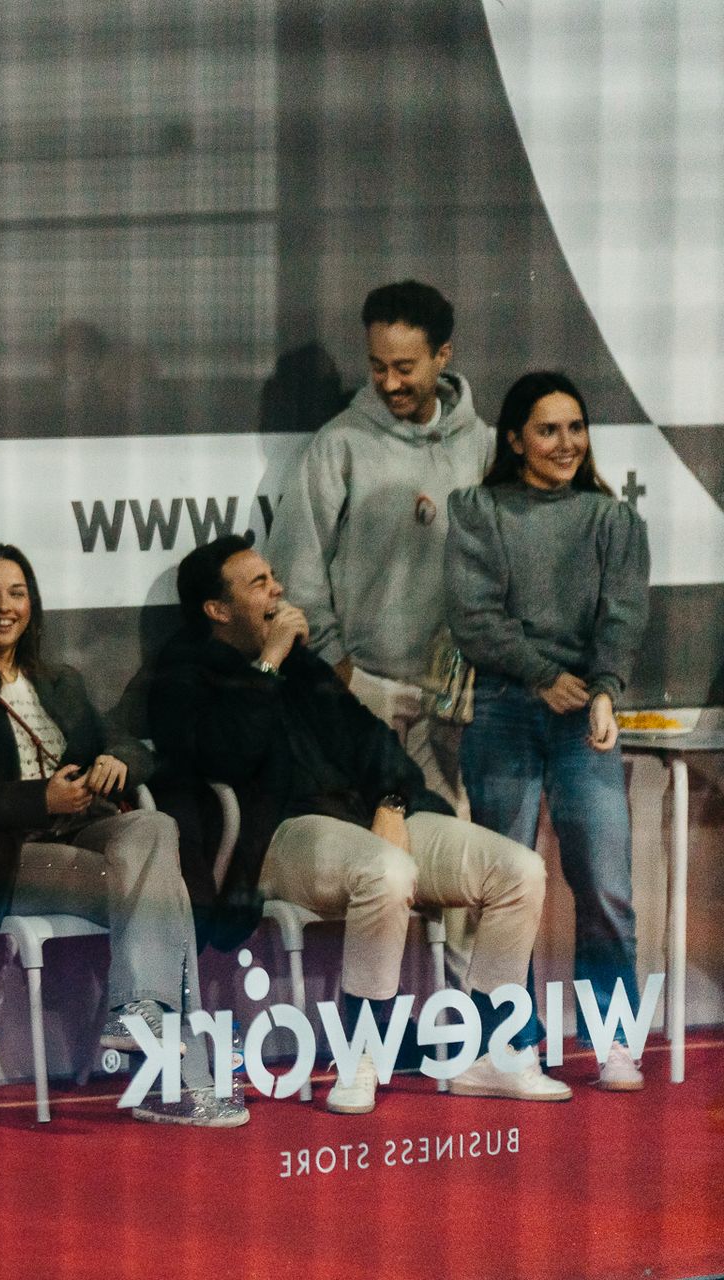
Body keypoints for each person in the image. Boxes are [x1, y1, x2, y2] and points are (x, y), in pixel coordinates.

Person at [151, 533, 573, 1113]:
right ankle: (359, 1055)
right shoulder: (184, 671)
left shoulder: (304, 667)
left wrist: (393, 805)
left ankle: (492, 1054)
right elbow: (227, 753)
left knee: (519, 870)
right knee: (387, 870)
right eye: (258, 584)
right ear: (217, 610)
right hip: (280, 835)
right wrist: (269, 660)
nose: (278, 590)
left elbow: (377, 745)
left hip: (369, 821)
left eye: (274, 577)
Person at [0, 545, 247, 1127]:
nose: (4, 607)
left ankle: (138, 1019)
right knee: (160, 890)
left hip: (80, 830)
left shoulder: (58, 680)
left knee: (154, 825)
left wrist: (114, 763)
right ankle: (179, 1077)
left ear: (33, 602)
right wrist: (36, 799)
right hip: (7, 851)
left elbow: (126, 742)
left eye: (17, 593)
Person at [445, 370, 651, 1091]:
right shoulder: (477, 509)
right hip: (504, 710)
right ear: (514, 439)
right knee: (511, 885)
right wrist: (539, 675)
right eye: (547, 429)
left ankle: (616, 1041)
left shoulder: (613, 520)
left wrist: (604, 693)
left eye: (575, 428)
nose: (566, 443)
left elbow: (620, 621)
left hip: (583, 718)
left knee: (604, 880)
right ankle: (513, 1046)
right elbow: (475, 618)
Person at [265, 281, 493, 811]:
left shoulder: (480, 444)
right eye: (376, 365)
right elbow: (296, 570)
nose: (389, 382)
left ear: (443, 356)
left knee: (453, 866)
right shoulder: (338, 444)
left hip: (454, 702)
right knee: (386, 864)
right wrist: (342, 671)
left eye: (405, 367)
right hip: (368, 694)